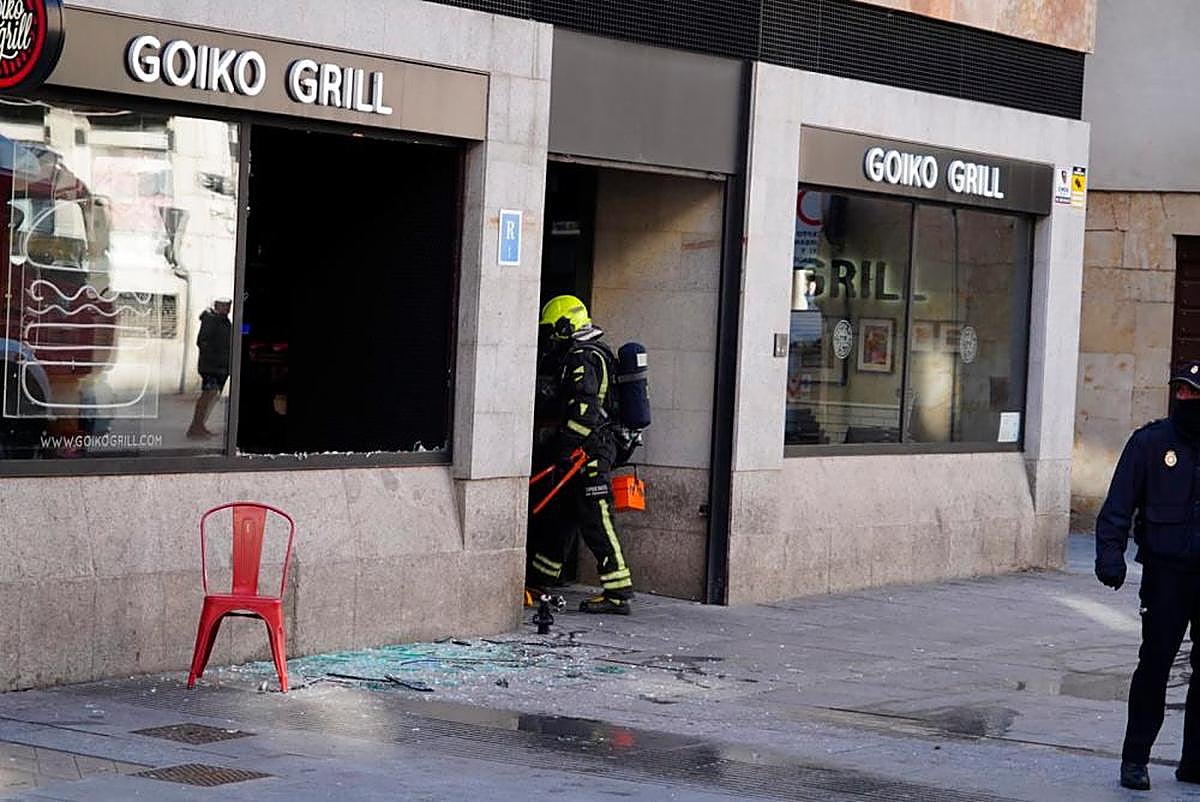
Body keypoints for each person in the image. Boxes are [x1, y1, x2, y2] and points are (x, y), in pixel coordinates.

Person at [1096, 360, 1200, 790]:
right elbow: (1119, 502)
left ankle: (1194, 761)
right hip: (1166, 575)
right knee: (1155, 665)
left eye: (1194, 393)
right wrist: (1110, 554)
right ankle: (1135, 759)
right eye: (1182, 391)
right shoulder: (1150, 443)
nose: (1186, 399)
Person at [527, 295, 634, 615]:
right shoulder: (596, 352)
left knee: (596, 519)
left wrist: (565, 448)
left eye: (552, 330)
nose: (551, 338)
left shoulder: (582, 357)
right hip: (587, 449)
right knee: (561, 515)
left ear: (565, 326)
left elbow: (584, 410)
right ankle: (541, 578)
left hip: (589, 451)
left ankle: (618, 592)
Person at [187, 298, 232, 439]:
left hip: (220, 367)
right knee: (207, 396)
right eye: (225, 306)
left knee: (212, 396)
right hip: (211, 368)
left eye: (228, 306)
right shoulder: (211, 319)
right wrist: (216, 359)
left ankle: (200, 426)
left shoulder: (223, 321)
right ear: (217, 306)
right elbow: (202, 342)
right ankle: (195, 428)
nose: (228, 309)